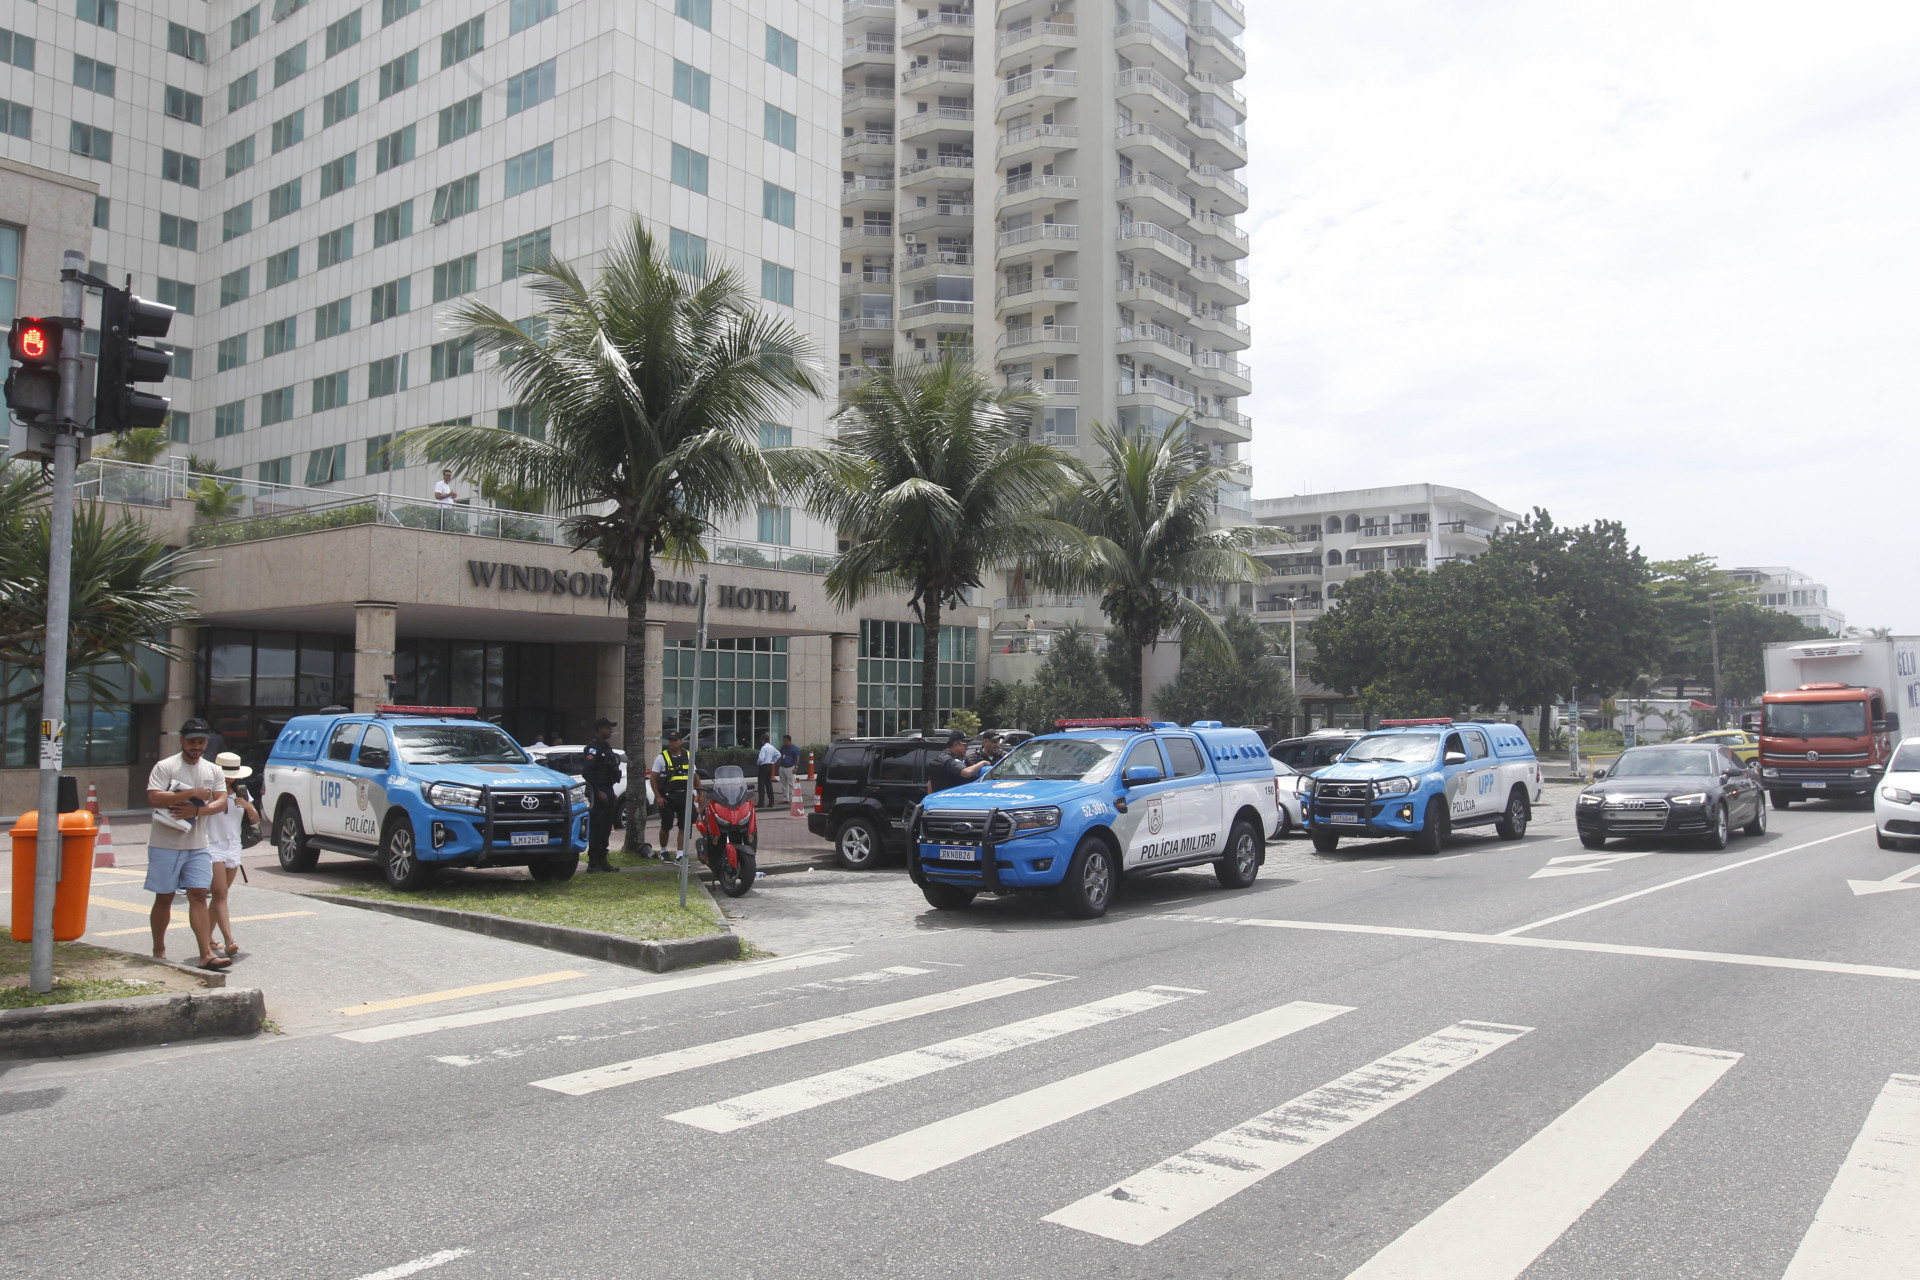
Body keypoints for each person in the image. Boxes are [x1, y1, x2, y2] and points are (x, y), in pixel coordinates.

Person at [145, 719, 231, 971]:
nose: (196, 746)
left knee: (198, 895)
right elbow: (153, 797)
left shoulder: (213, 770)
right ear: (182, 741)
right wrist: (190, 793)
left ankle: (206, 954)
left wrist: (197, 810)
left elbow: (221, 801)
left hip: (198, 845)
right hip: (164, 844)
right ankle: (158, 950)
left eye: (201, 742)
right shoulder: (165, 767)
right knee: (165, 897)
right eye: (192, 741)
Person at [203, 752, 259, 958]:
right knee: (220, 894)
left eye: (231, 775)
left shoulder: (241, 792)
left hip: (234, 846)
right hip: (212, 845)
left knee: (221, 894)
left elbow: (255, 820)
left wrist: (249, 807)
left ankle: (207, 937)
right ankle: (229, 940)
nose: (228, 779)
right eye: (225, 775)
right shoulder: (209, 792)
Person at [650, 728, 696, 861]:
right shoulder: (661, 757)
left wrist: (700, 792)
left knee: (684, 826)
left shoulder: (688, 756)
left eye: (674, 740)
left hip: (684, 797)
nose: (671, 743)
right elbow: (653, 778)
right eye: (670, 740)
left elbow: (694, 775)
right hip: (667, 798)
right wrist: (658, 796)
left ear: (681, 742)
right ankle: (663, 851)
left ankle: (680, 855)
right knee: (666, 826)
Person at [582, 717, 620, 873]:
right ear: (599, 729)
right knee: (597, 827)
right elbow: (587, 772)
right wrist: (598, 792)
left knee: (606, 827)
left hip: (608, 790)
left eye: (611, 728)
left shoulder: (606, 747)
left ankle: (603, 861)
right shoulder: (593, 748)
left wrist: (610, 793)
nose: (610, 731)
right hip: (598, 791)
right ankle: (593, 863)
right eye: (607, 728)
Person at [928, 729, 990, 794]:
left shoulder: (941, 758)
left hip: (943, 798)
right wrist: (982, 763)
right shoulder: (948, 759)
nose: (967, 748)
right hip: (950, 798)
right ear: (956, 745)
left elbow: (930, 783)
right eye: (965, 744)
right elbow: (966, 772)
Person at [755, 734, 780, 809]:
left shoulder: (764, 748)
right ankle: (771, 801)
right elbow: (778, 754)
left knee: (761, 784)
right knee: (769, 783)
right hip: (769, 766)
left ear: (763, 740)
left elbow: (761, 758)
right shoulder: (771, 747)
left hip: (763, 766)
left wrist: (757, 763)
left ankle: (761, 802)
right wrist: (773, 761)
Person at [777, 734, 800, 805]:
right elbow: (780, 755)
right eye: (783, 741)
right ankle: (785, 798)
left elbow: (797, 758)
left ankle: (792, 798)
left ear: (789, 741)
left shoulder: (794, 748)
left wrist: (796, 767)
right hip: (782, 767)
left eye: (785, 741)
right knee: (783, 783)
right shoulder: (783, 747)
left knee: (791, 784)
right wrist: (779, 761)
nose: (784, 742)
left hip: (790, 768)